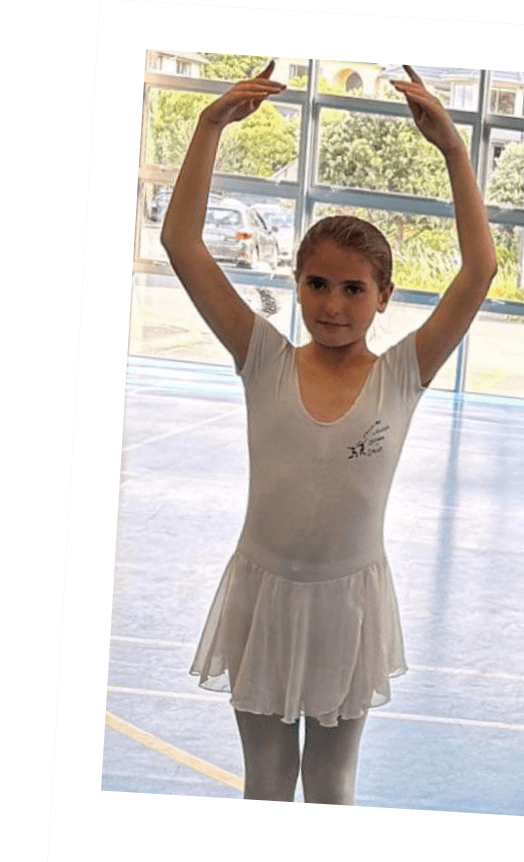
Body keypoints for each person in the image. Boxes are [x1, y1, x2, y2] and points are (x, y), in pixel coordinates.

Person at [160, 63, 497, 802]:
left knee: (332, 784)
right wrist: (209, 126)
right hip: (263, 593)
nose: (333, 304)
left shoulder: (402, 373)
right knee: (267, 783)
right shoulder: (262, 357)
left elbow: (479, 270)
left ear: (383, 298)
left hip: (349, 601)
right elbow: (182, 242)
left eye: (353, 289)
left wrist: (455, 153)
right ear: (296, 285)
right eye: (317, 283)